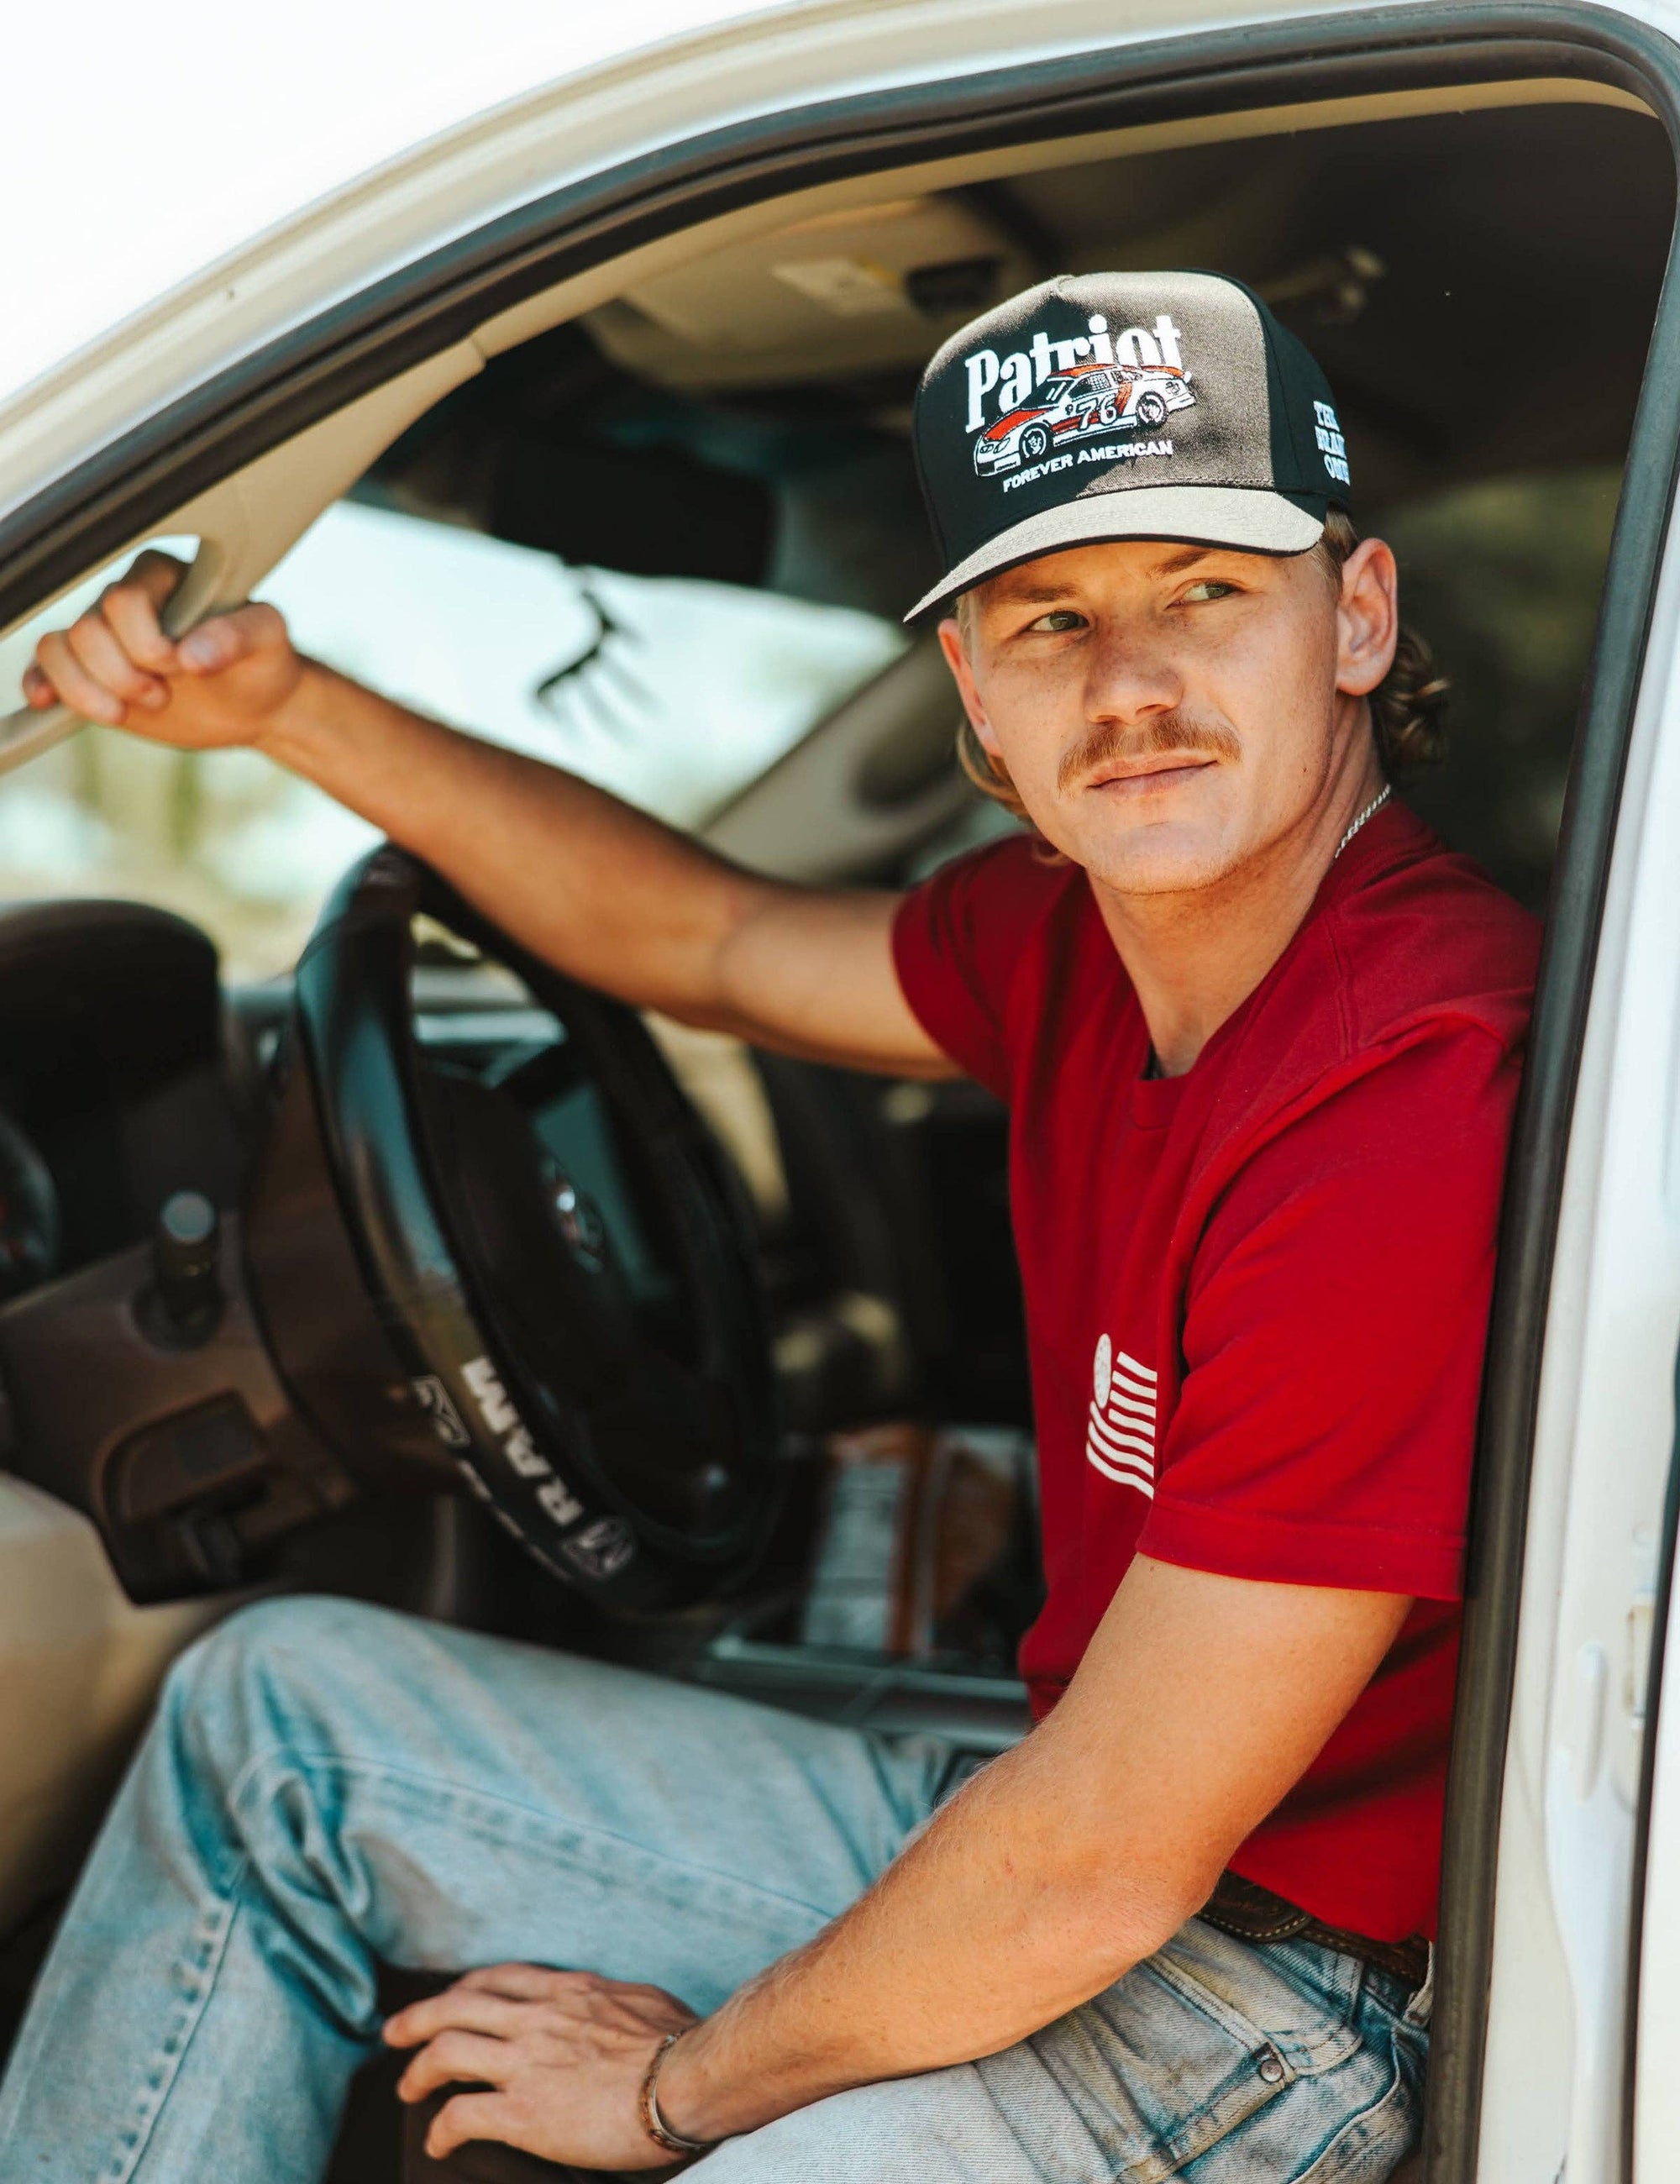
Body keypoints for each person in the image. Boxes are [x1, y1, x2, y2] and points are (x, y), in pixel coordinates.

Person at [0, 271, 1537, 2184]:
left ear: (1356, 615)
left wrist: (670, 2091)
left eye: (1202, 591)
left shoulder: (1406, 1084)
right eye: (1050, 618)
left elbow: (1098, 1862)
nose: (1127, 685)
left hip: (1265, 2003)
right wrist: (284, 706)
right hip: (1077, 1834)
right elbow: (712, 940)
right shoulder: (1077, 940)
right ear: (974, 689)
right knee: (277, 1721)